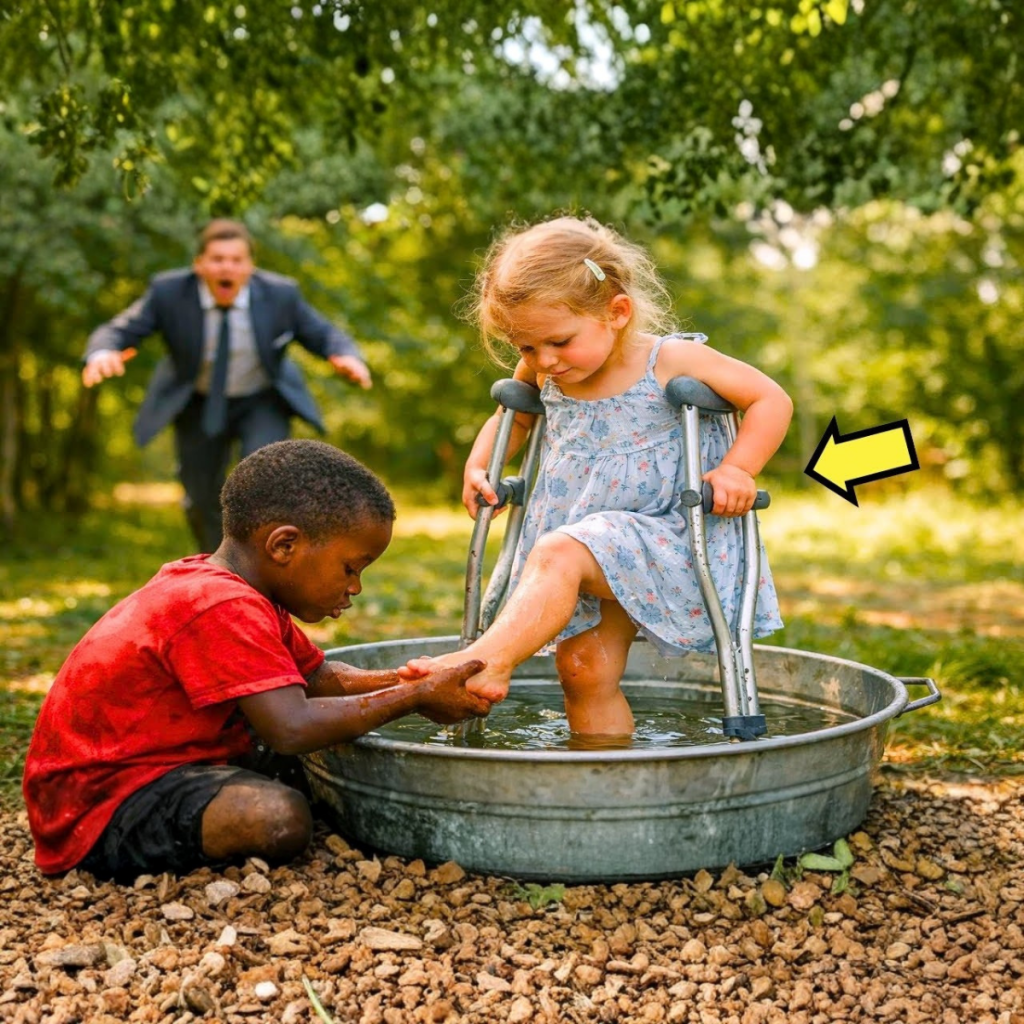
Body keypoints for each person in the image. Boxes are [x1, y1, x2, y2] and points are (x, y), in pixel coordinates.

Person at [22, 440, 491, 880]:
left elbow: (319, 679)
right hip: (100, 806)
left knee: (324, 765)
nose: (355, 588)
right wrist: (411, 698)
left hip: (166, 767)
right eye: (351, 568)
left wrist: (411, 677)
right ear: (284, 545)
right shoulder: (219, 604)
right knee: (280, 818)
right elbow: (291, 728)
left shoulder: (243, 593)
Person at [411, 215, 792, 738]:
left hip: (666, 537)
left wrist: (737, 468)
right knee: (583, 671)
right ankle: (603, 786)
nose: (544, 360)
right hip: (589, 546)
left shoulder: (670, 359)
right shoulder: (546, 369)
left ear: (617, 312)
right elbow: (513, 417)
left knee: (557, 551)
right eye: (525, 347)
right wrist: (481, 467)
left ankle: (479, 664)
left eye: (559, 342)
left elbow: (771, 398)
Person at [82, 218, 373, 553]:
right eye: (218, 259)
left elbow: (323, 333)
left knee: (266, 484)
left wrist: (346, 355)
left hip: (261, 400)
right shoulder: (169, 292)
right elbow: (120, 329)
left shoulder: (281, 294)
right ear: (199, 264)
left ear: (250, 266)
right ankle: (220, 569)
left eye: (237, 260)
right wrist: (102, 352)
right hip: (198, 401)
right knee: (201, 496)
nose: (228, 268)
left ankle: (266, 566)